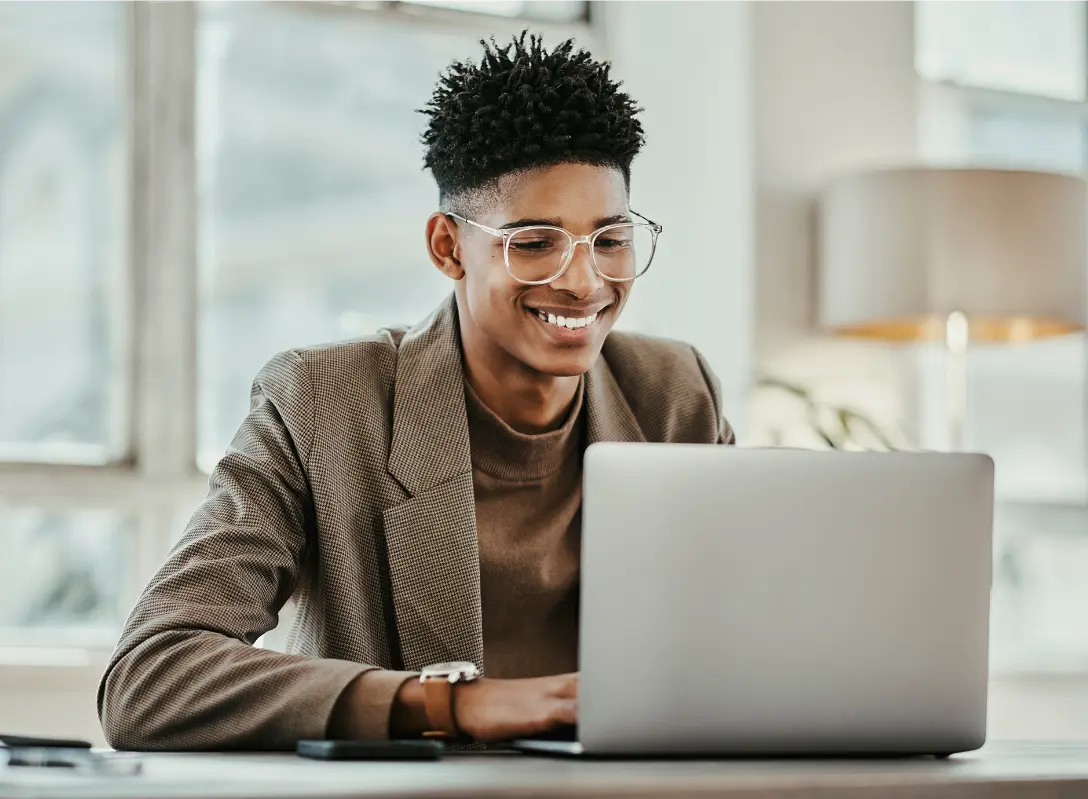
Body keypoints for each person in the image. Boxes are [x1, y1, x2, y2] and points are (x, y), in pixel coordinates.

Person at [98, 32, 734, 751]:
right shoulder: (322, 403)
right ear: (446, 247)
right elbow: (148, 679)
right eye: (534, 243)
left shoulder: (677, 394)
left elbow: (749, 644)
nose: (585, 283)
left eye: (611, 240)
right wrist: (450, 704)